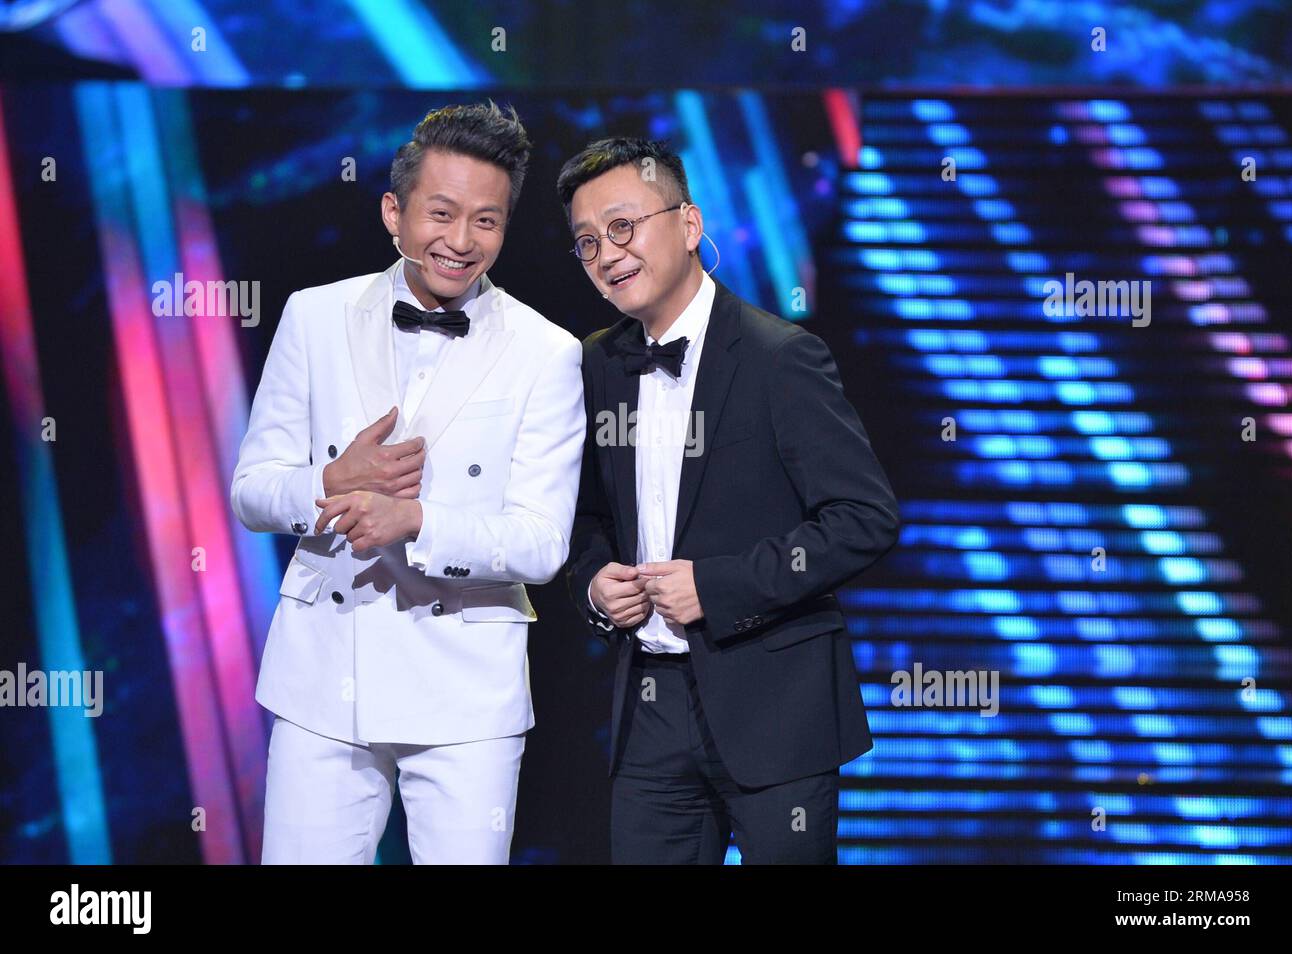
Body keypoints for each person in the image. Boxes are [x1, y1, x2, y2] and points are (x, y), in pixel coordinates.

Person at [231, 102, 584, 864]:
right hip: (323, 672)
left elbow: (542, 542)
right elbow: (252, 489)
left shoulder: (546, 351)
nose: (460, 242)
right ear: (395, 211)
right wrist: (330, 480)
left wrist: (417, 521)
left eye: (485, 222)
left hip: (467, 691)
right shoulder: (314, 316)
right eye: (441, 213)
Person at [559, 137, 900, 864]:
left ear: (688, 224)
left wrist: (714, 586)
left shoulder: (781, 357)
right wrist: (594, 584)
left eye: (623, 227)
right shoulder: (593, 365)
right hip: (649, 710)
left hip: (777, 706)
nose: (607, 254)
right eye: (586, 242)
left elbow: (863, 519)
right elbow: (583, 517)